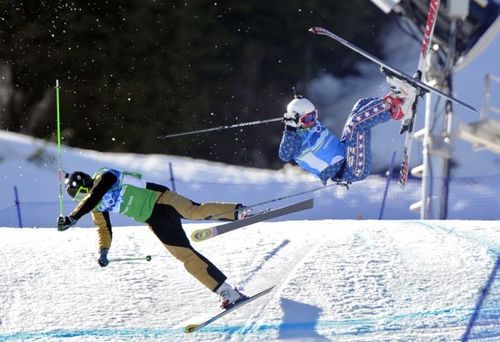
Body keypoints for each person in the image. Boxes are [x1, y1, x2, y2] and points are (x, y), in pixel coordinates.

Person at [57, 167, 251, 310]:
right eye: (80, 199)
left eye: (82, 196)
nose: (85, 199)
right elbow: (103, 230)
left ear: (85, 187)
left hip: (162, 199)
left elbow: (96, 193)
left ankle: (239, 212)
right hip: (154, 220)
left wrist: (73, 217)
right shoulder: (96, 207)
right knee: (185, 256)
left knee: (195, 211)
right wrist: (104, 251)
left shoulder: (105, 177)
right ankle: (227, 292)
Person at [279, 72, 418, 185]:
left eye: (314, 115)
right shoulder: (296, 140)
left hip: (347, 151)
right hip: (350, 169)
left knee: (361, 104)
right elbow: (285, 155)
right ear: (296, 122)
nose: (313, 122)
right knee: (357, 125)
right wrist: (289, 130)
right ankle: (395, 105)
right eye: (307, 119)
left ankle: (398, 104)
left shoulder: (311, 125)